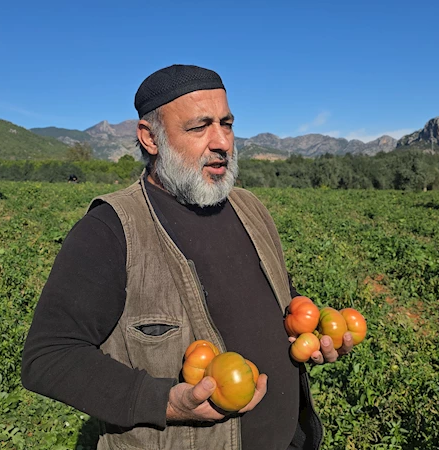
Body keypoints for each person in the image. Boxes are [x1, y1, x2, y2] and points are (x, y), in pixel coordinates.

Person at [21, 64, 354, 450]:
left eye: (226, 124)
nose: (222, 142)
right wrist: (167, 402)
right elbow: (48, 357)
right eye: (199, 127)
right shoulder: (111, 229)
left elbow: (281, 300)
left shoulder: (250, 207)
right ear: (150, 138)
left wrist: (309, 333)